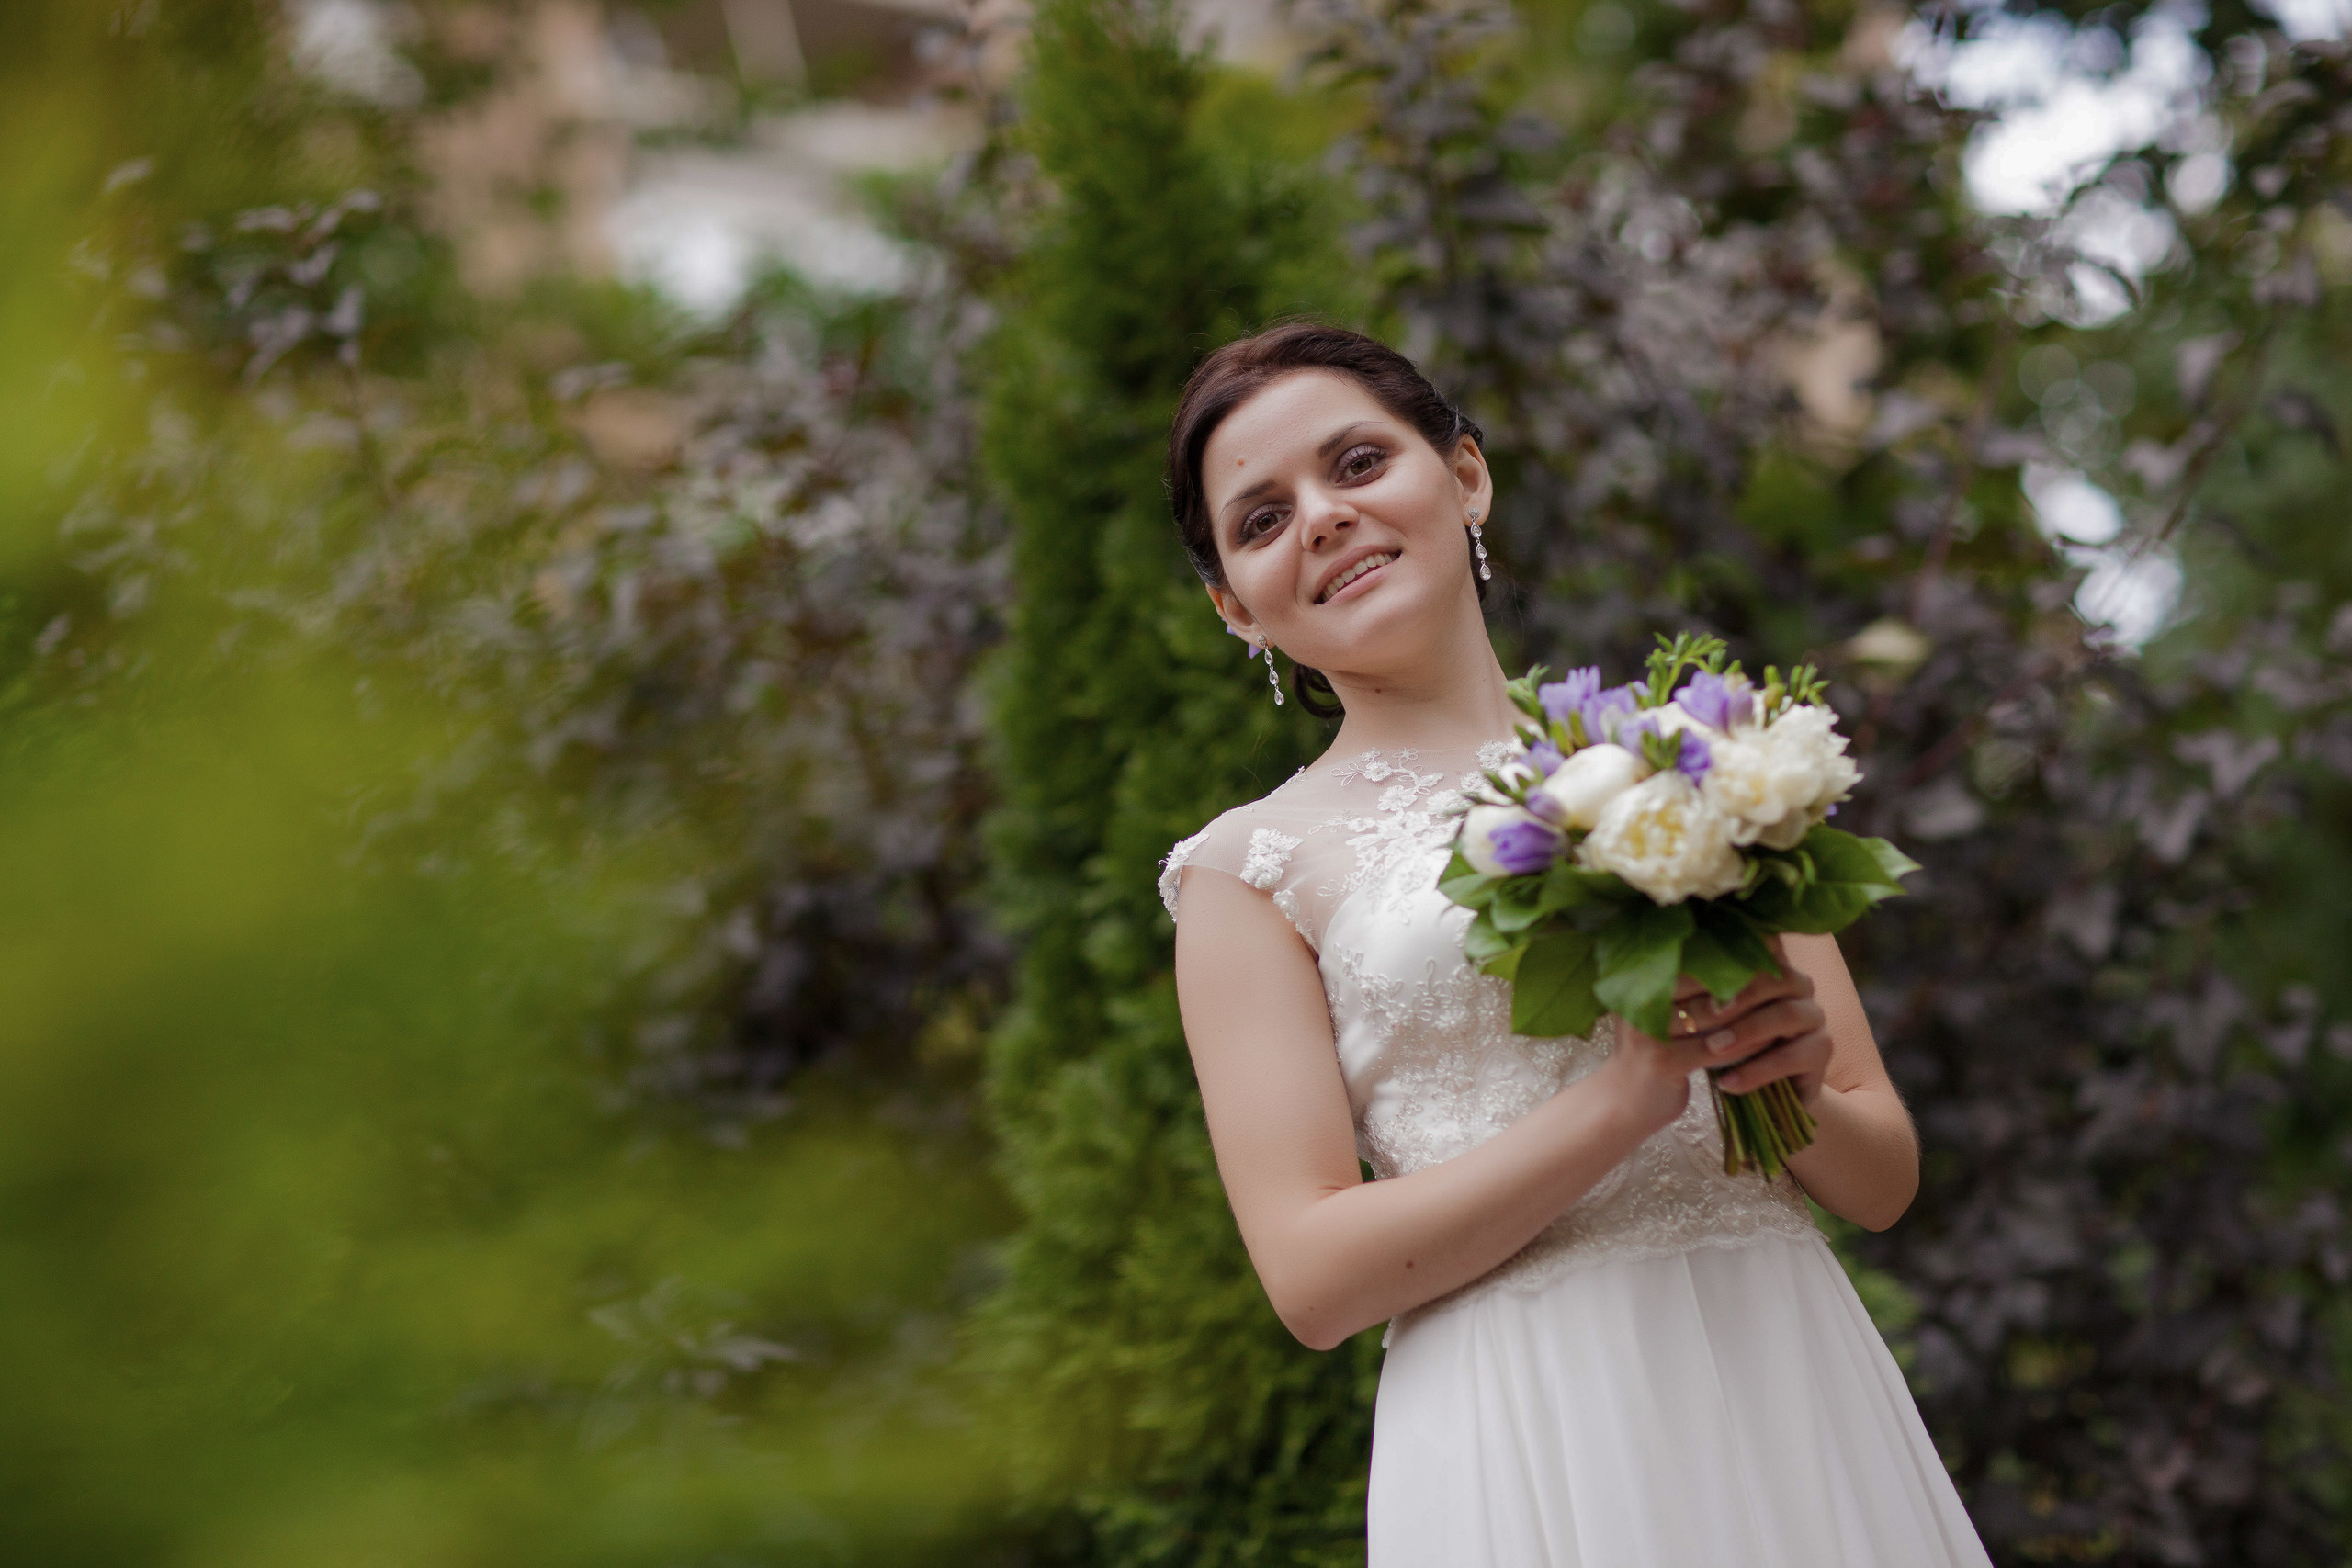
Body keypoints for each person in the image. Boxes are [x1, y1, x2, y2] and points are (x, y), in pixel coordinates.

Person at [1158, 322, 1992, 1565]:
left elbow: (1880, 1181)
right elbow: (1313, 1279)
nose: (1323, 517)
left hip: (1788, 1379)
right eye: (1263, 518)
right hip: (1523, 1419)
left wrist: (1796, 1075)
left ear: (1467, 476)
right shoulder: (1248, 871)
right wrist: (1629, 1099)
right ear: (1236, 605)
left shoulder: (1696, 763)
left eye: (1357, 464)